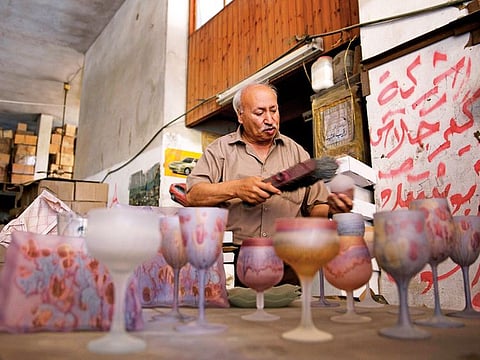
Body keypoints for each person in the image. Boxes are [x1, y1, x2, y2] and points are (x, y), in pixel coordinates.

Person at [186, 82, 353, 285]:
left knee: (289, 315)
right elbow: (194, 195)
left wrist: (331, 209)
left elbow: (315, 206)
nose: (269, 119)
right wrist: (236, 188)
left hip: (289, 261)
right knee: (234, 316)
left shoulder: (298, 153)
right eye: (259, 113)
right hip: (233, 261)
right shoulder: (220, 150)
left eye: (273, 110)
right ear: (241, 116)